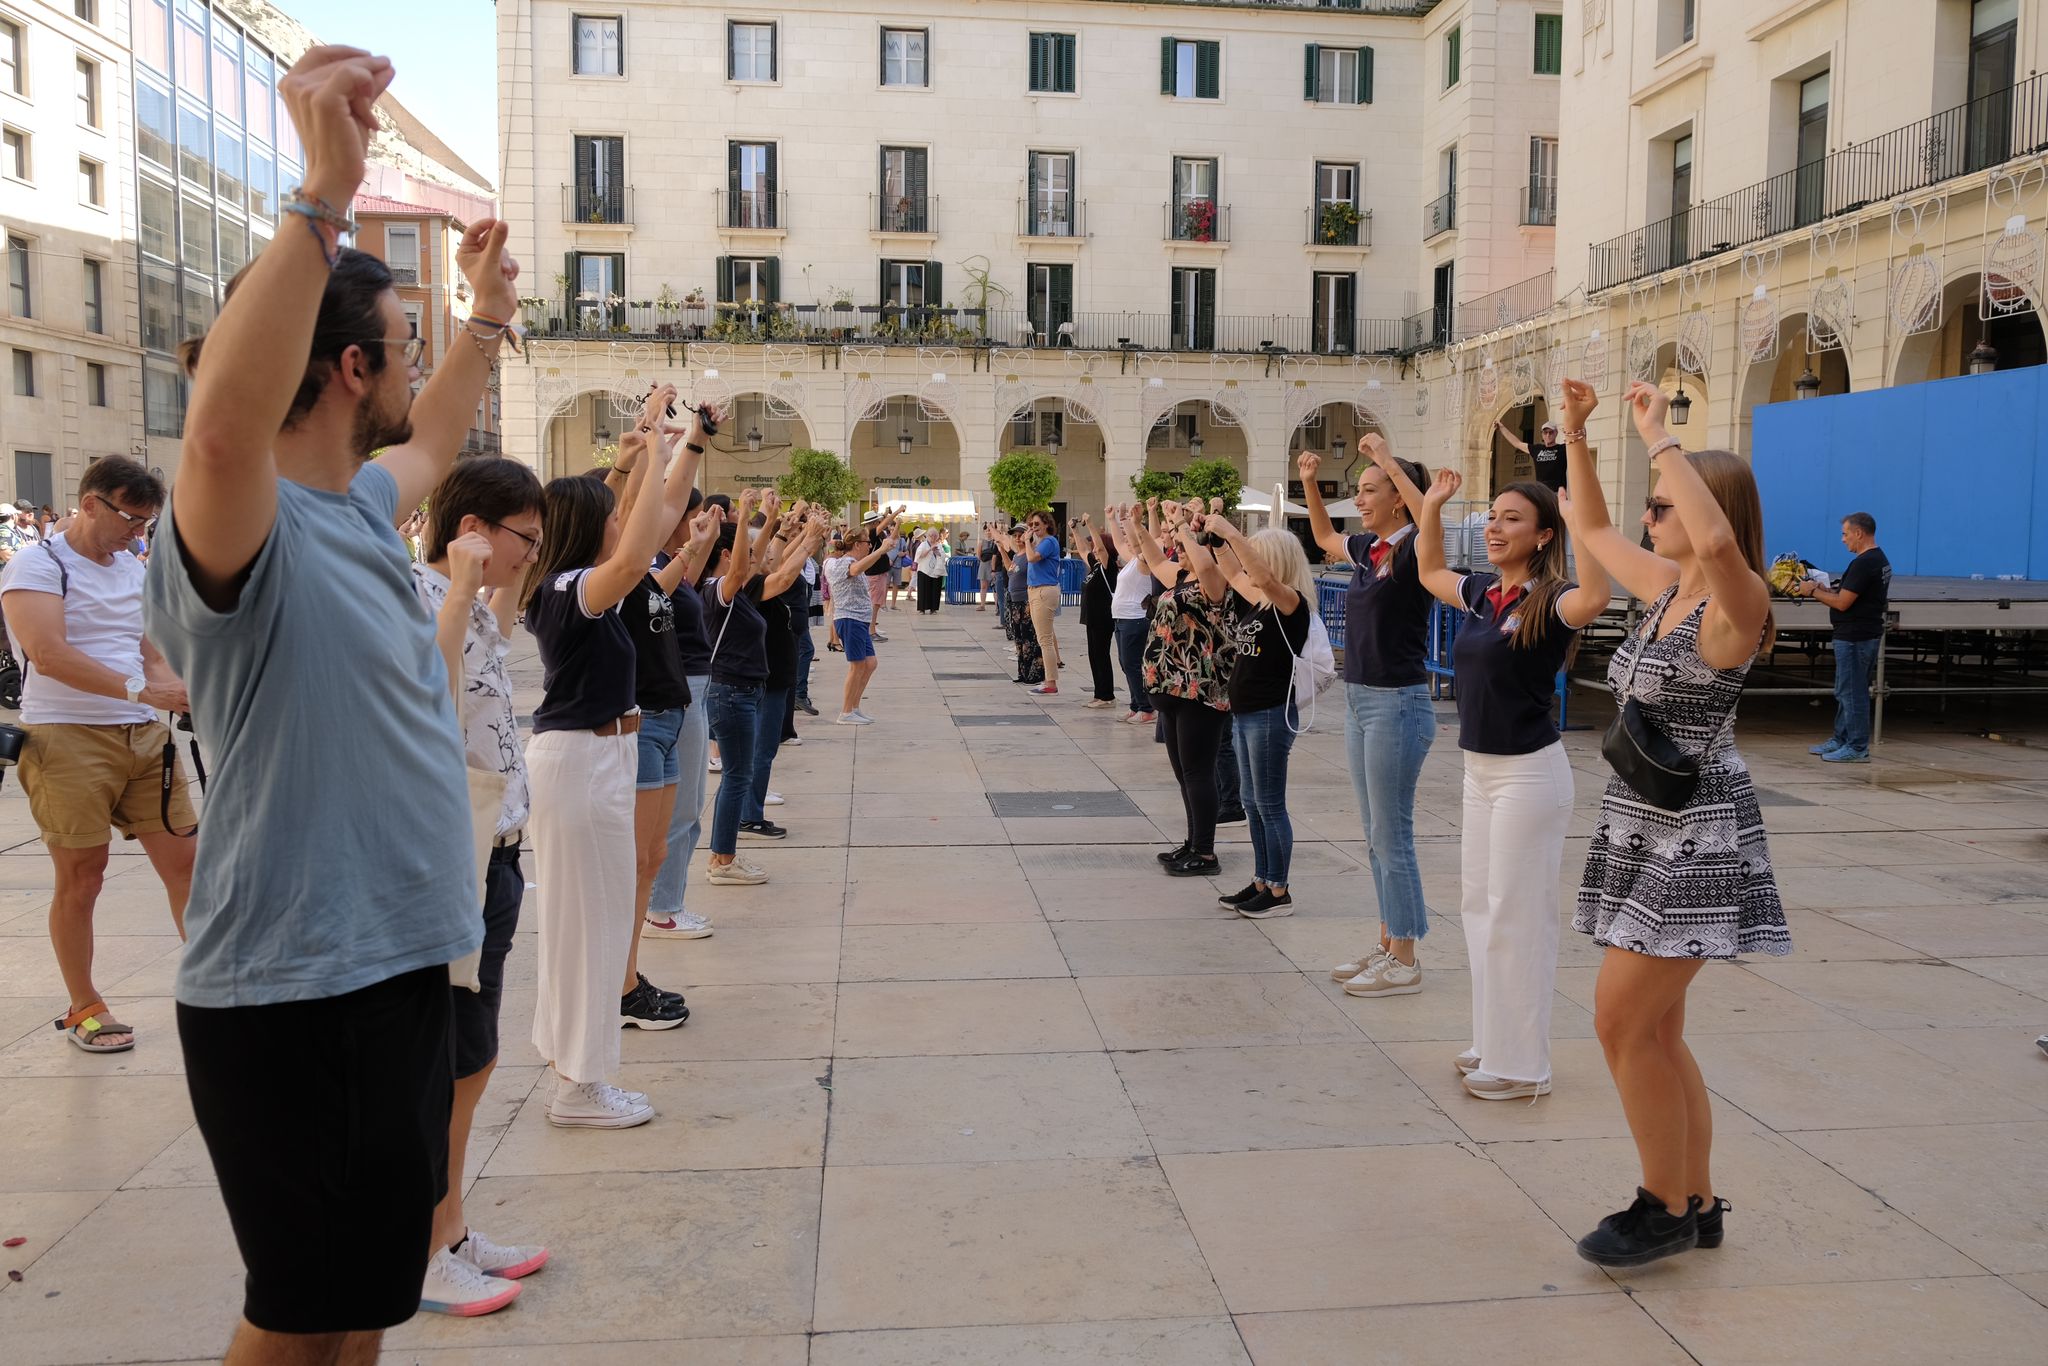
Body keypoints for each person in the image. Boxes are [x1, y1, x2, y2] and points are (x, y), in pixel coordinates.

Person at [142, 45, 519, 1357]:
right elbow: (219, 432)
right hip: (297, 991)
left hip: (395, 964)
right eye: (403, 349)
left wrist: (482, 315)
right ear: (350, 365)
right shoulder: (242, 523)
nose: (418, 376)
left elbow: (435, 433)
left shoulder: (361, 504)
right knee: (296, 1318)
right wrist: (321, 193)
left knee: (364, 1304)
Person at [1562, 377, 1789, 1267]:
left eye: (1663, 504)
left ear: (1702, 508)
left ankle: (1661, 1205)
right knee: (1657, 1030)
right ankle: (1694, 1199)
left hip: (1695, 838)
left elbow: (1722, 540)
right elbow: (1588, 531)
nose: (1649, 515)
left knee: (1619, 1022)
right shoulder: (1665, 588)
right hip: (1641, 825)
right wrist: (1577, 438)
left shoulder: (1739, 608)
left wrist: (1663, 437)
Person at [522, 387, 709, 1129]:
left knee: (590, 926)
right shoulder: (573, 590)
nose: (623, 523)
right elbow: (636, 545)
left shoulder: (570, 583)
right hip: (581, 762)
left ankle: (577, 1072)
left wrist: (665, 449)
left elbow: (648, 521)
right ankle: (579, 1087)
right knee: (589, 930)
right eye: (609, 515)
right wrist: (652, 447)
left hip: (601, 759)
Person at [1402, 451, 1611, 1103]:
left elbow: (1600, 594)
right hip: (1479, 770)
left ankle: (1524, 1066)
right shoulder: (1484, 595)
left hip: (1528, 775)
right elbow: (1430, 569)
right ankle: (1492, 1042)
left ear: (1545, 535)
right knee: (1478, 908)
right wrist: (1430, 508)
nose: (1494, 528)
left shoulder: (1553, 601)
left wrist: (1585, 516)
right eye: (1492, 517)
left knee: (1519, 916)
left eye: (1511, 519)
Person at [413, 455, 551, 1315]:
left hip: (496, 852)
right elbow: (423, 702)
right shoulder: (418, 597)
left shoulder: (473, 603)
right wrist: (461, 591)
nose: (530, 558)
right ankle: (421, 1251)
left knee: (475, 1058)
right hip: (448, 855)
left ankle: (451, 1229)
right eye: (523, 540)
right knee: (444, 1064)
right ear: (472, 531)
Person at [2, 457, 194, 1053]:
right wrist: (143, 689)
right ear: (90, 504)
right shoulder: (38, 565)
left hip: (142, 738)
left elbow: (149, 651)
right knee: (83, 879)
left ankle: (221, 991)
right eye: (132, 520)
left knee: (189, 866)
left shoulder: (131, 568)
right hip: (66, 736)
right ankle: (84, 1004)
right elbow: (48, 652)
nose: (140, 533)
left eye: (147, 522)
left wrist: (174, 691)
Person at [1301, 441, 1439, 999]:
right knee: (1374, 835)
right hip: (1360, 700)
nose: (1358, 498)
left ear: (1400, 502)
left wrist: (1387, 455)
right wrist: (1310, 482)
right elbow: (1324, 539)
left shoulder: (1414, 552)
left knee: (1393, 833)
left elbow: (1429, 519)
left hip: (1397, 704)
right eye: (1358, 489)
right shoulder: (1370, 549)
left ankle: (1405, 957)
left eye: (1369, 489)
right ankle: (1387, 944)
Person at [602, 437, 715, 1029]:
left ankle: (627, 979)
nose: (635, 521)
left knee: (651, 857)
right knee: (633, 863)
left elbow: (662, 579)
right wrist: (648, 455)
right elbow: (659, 507)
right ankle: (617, 987)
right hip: (640, 724)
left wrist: (694, 548)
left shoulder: (638, 576)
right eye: (620, 513)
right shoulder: (599, 578)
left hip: (664, 720)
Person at [1196, 518, 1313, 919]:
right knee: (1251, 801)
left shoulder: (1289, 602)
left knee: (1269, 803)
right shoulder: (1262, 601)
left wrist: (1232, 532)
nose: (1250, 563)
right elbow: (1231, 569)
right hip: (1247, 714)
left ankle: (1279, 890)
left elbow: (1259, 576)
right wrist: (1214, 539)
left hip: (1269, 715)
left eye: (1256, 555)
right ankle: (1263, 879)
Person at [1132, 499, 1238, 878]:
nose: (1180, 551)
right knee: (1184, 773)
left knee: (1198, 772)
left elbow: (1206, 563)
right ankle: (1193, 842)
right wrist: (1138, 524)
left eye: (1188, 547)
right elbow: (1153, 556)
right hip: (1172, 692)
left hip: (1199, 691)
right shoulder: (1180, 577)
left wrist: (1182, 526)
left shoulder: (1216, 581)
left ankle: (1206, 853)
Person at [643, 489, 721, 942]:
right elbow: (667, 585)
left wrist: (702, 539)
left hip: (693, 685)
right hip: (680, 689)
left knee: (689, 806)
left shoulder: (669, 560)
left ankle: (667, 902)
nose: (693, 521)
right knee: (683, 809)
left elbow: (687, 578)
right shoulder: (649, 565)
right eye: (689, 514)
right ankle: (663, 908)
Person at [738, 499, 829, 837]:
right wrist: (808, 539)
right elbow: (785, 571)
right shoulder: (749, 586)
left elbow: (777, 561)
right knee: (760, 751)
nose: (765, 557)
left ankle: (751, 810)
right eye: (756, 553)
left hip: (773, 678)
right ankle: (749, 815)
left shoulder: (757, 578)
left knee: (763, 750)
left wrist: (800, 534)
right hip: (764, 678)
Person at [698, 487, 774, 882]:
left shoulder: (734, 591)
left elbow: (754, 561)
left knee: (737, 774)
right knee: (737, 776)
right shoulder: (717, 590)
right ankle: (722, 860)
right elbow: (743, 567)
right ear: (726, 557)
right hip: (731, 693)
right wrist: (744, 517)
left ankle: (722, 856)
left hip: (740, 691)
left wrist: (771, 518)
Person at [1791, 511, 1889, 763]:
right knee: (1847, 690)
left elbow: (1843, 603)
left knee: (1851, 692)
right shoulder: (1877, 560)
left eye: (1845, 534)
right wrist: (1827, 590)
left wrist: (1811, 590)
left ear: (1859, 533)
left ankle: (1856, 747)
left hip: (1855, 637)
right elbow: (1849, 593)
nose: (1843, 539)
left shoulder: (1864, 562)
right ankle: (1841, 739)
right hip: (1861, 634)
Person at [823, 519, 898, 724]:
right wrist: (881, 550)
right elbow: (854, 570)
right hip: (849, 618)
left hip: (859, 620)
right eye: (867, 543)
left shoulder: (849, 562)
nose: (869, 546)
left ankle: (854, 707)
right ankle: (846, 712)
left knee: (870, 663)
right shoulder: (841, 563)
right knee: (857, 665)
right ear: (857, 544)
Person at [1103, 507, 1156, 726]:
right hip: (1123, 619)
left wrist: (1131, 522)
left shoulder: (1145, 560)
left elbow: (1137, 543)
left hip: (1135, 619)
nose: (1127, 541)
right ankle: (1136, 705)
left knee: (1132, 664)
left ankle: (1146, 708)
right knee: (1126, 664)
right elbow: (1119, 544)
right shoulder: (1132, 561)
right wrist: (1113, 520)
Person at [1078, 513, 1121, 709]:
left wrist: (1090, 523)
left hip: (1103, 618)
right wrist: (1074, 530)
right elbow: (1082, 549)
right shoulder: (1096, 566)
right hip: (1092, 618)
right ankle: (1099, 693)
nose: (1094, 549)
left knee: (1101, 655)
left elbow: (1100, 547)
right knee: (1093, 656)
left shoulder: (1108, 567)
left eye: (1097, 547)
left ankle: (1107, 696)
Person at [1023, 510, 1064, 695]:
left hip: (1044, 591)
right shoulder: (1040, 543)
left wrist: (1026, 541)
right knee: (1043, 638)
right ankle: (1048, 679)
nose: (1033, 528)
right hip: (1036, 590)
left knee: (1045, 640)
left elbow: (1031, 557)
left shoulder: (1048, 542)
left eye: (1037, 524)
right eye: (1031, 525)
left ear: (1047, 524)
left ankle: (1051, 682)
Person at [1496, 417, 1567, 493]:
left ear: (1556, 433)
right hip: (1541, 493)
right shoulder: (1537, 449)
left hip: (1558, 493)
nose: (1548, 435)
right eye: (1545, 432)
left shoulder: (1563, 448)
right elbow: (1517, 443)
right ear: (1542, 434)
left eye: (1551, 432)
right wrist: (1502, 427)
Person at [913, 526, 948, 614]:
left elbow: (943, 556)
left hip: (936, 570)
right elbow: (919, 556)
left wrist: (938, 553)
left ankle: (933, 608)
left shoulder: (939, 545)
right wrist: (929, 549)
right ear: (928, 536)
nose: (933, 537)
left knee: (935, 590)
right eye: (931, 535)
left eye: (935, 536)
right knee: (923, 590)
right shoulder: (923, 544)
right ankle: (922, 609)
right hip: (924, 570)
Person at [979, 521, 1004, 617]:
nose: (989, 532)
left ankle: (997, 607)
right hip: (985, 565)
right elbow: (979, 554)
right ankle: (982, 604)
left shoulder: (996, 541)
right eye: (987, 530)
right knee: (984, 586)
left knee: (996, 588)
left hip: (994, 566)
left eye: (990, 530)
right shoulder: (982, 542)